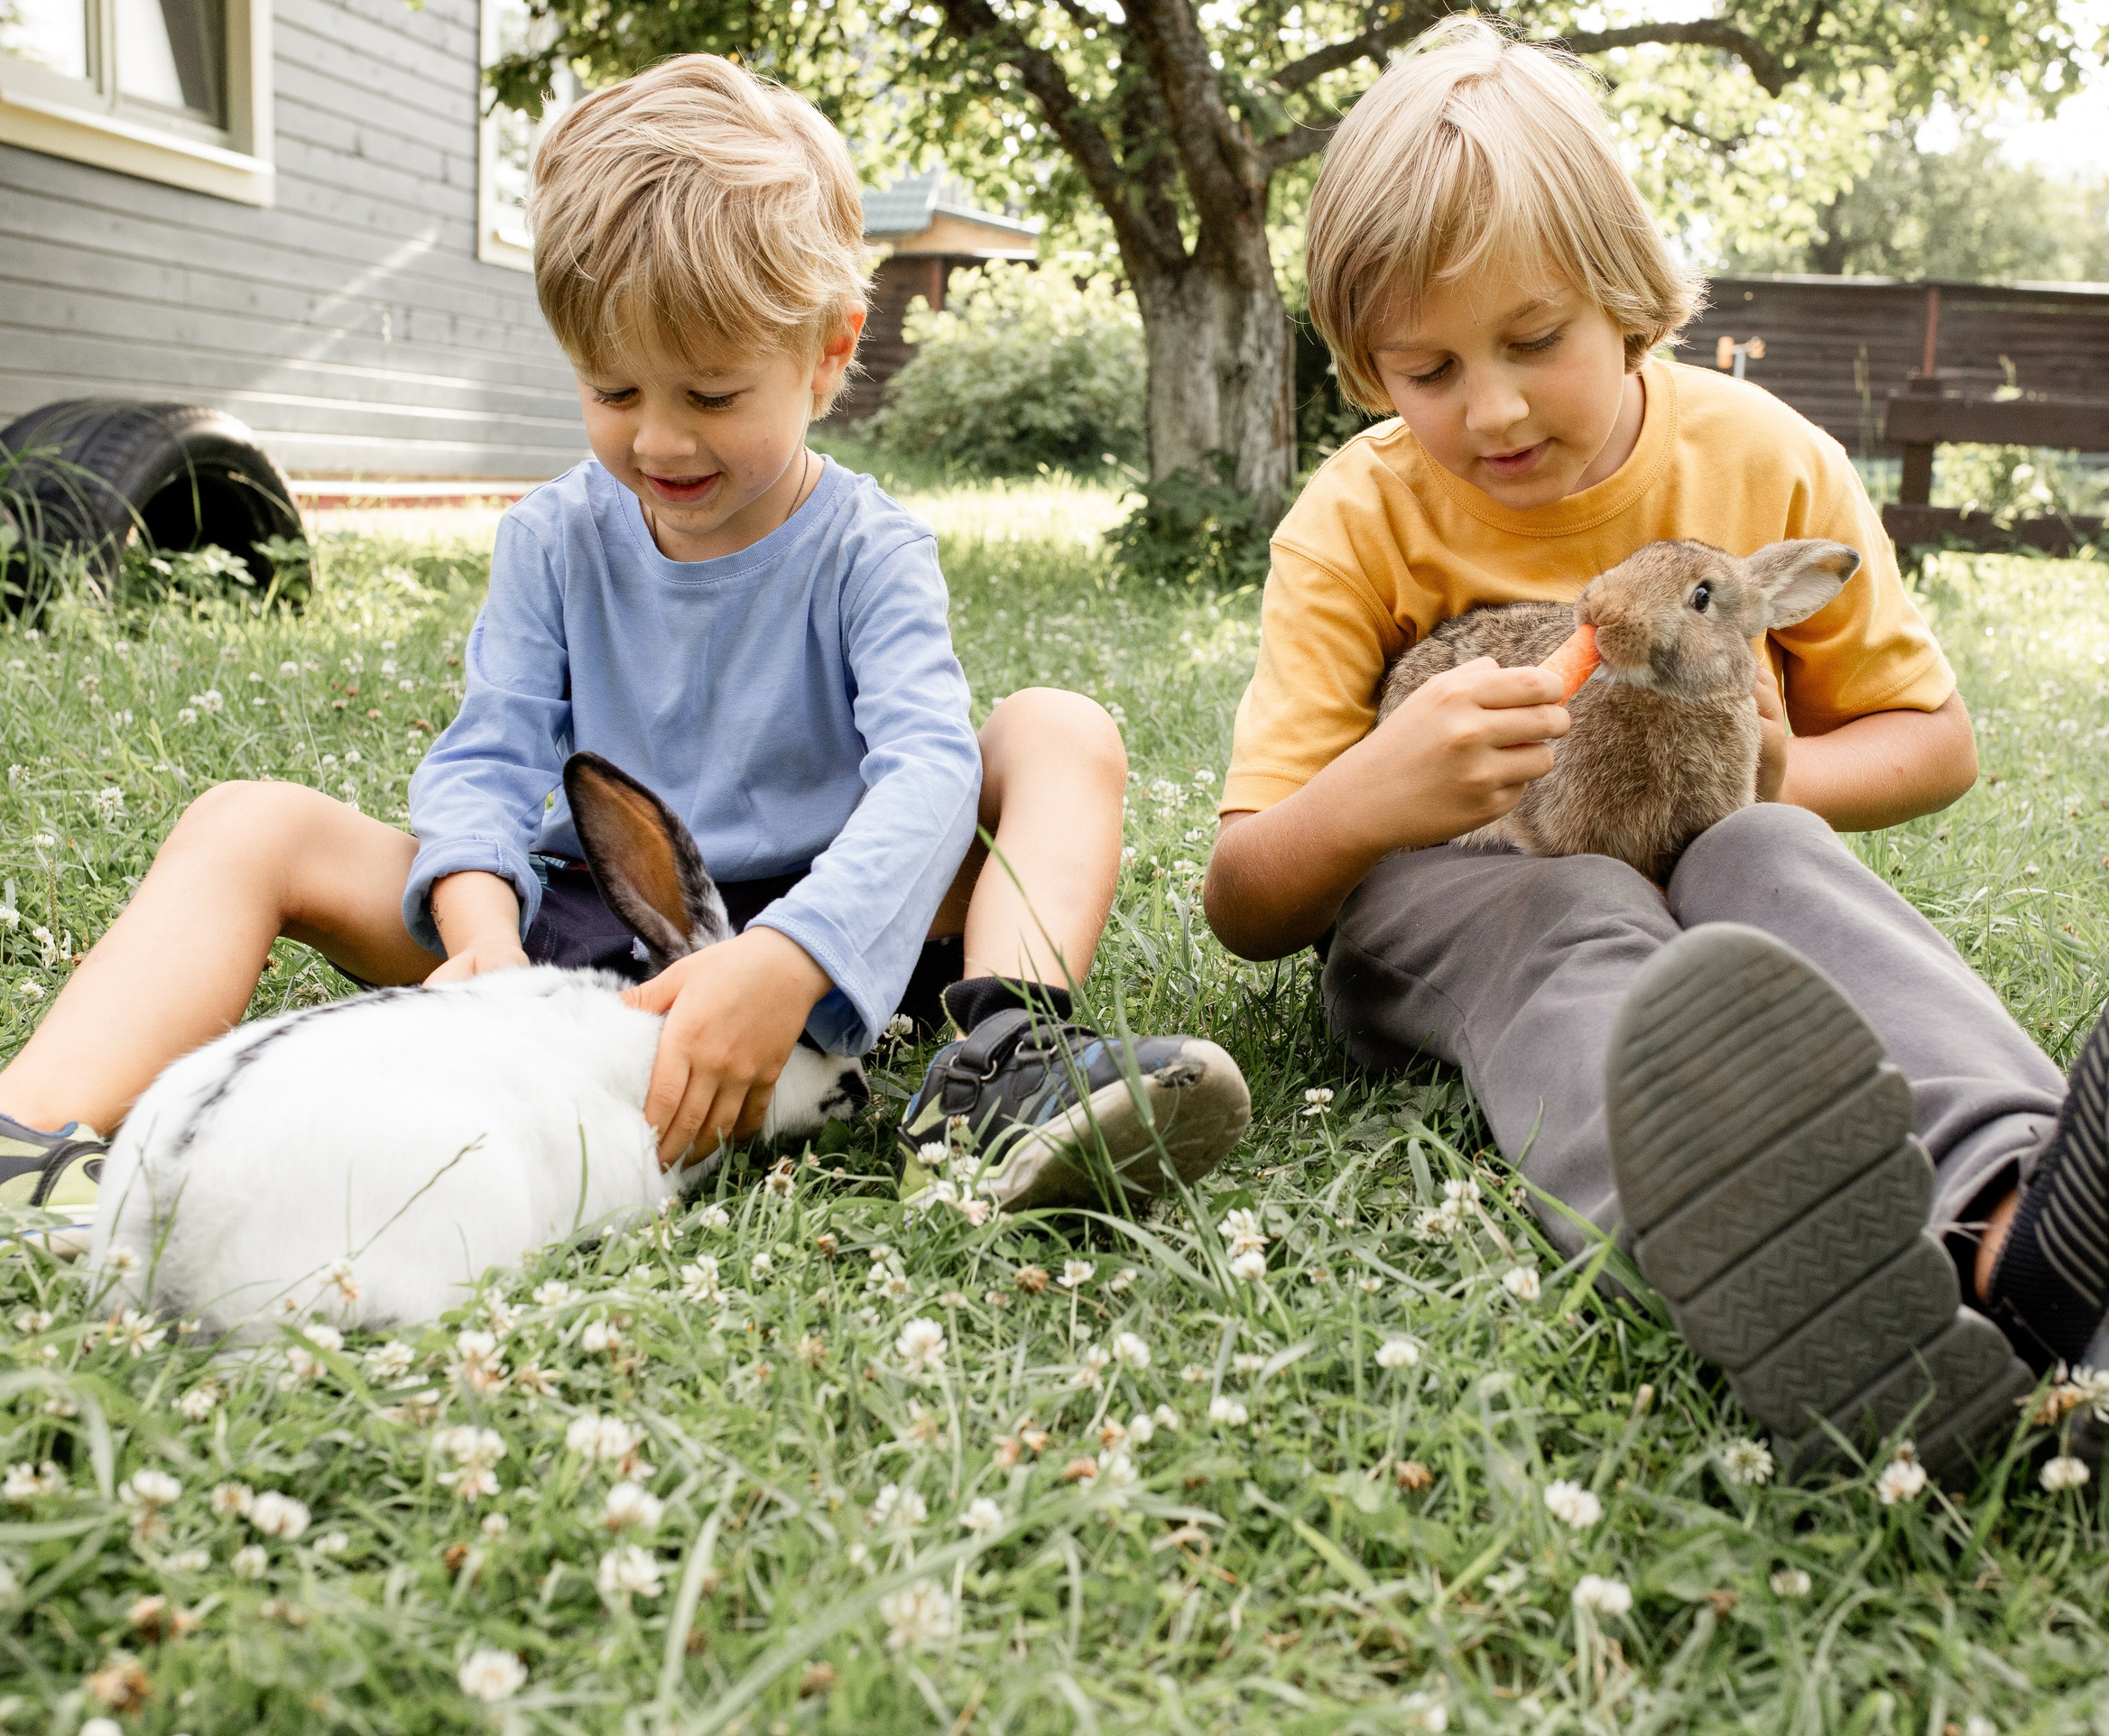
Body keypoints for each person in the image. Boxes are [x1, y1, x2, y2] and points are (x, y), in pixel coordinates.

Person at [1202, 18, 2109, 1475]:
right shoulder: (1354, 519)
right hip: (1468, 885)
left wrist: (1777, 776)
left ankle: (2022, 1230)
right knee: (1573, 909)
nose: (1494, 407)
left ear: (1630, 303)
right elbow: (1245, 899)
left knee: (1773, 855)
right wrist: (1372, 793)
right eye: (1427, 369)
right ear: (1363, 367)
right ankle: (1763, 1254)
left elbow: (1932, 740)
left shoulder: (1766, 458)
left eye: (1535, 340)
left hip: (1711, 856)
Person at [0, 56, 1247, 1234]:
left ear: (827, 354)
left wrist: (786, 958)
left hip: (837, 931)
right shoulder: (552, 536)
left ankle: (1001, 1064)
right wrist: (482, 930)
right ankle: (28, 1134)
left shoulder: (871, 551)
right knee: (247, 821)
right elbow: (489, 756)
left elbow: (925, 779)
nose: (660, 440)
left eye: (709, 395)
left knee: (1058, 732)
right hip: (578, 925)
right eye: (612, 391)